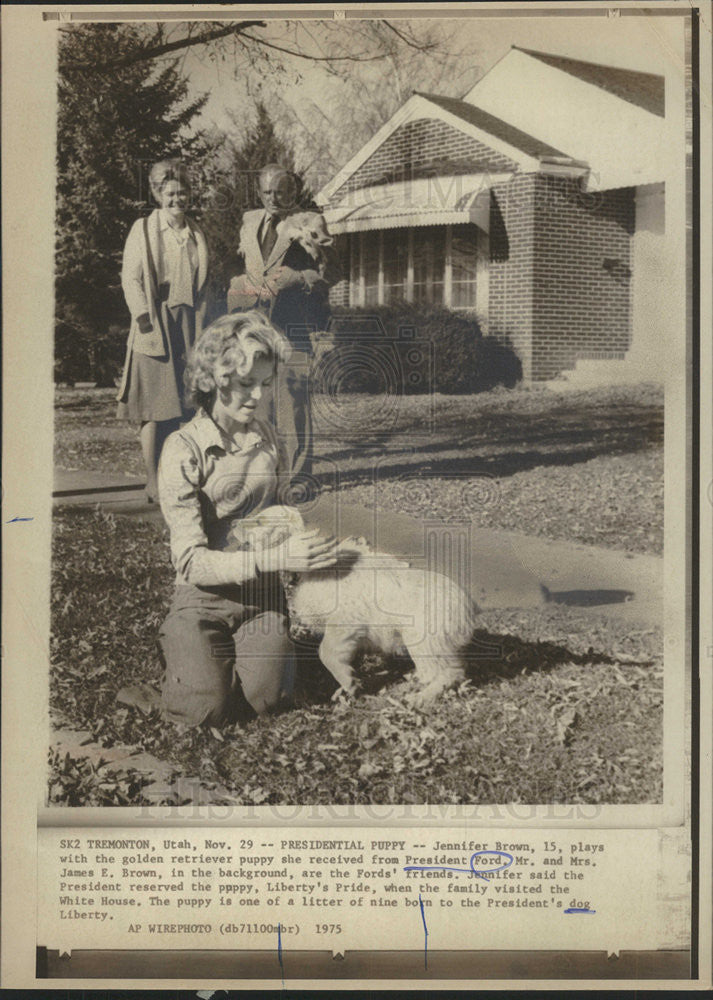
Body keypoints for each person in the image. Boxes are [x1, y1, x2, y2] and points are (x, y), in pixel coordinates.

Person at [156, 311, 339, 728]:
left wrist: (289, 526)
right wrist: (271, 559)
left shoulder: (268, 438)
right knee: (203, 712)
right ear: (214, 380)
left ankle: (210, 669)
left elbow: (272, 511)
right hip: (202, 599)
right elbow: (189, 561)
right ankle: (186, 665)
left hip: (261, 600)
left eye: (266, 384)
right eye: (245, 384)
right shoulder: (183, 448)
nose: (257, 396)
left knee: (267, 701)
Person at [227, 164, 341, 484]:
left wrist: (298, 279)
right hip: (255, 330)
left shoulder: (308, 222)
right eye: (266, 192)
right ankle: (266, 476)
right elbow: (241, 267)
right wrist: (238, 287)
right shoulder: (250, 222)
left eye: (280, 191)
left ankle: (298, 479)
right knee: (259, 407)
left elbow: (332, 271)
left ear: (292, 192)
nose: (273, 198)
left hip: (295, 329)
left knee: (295, 406)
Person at [116, 159, 209, 503]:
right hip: (154, 322)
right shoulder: (143, 229)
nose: (176, 200)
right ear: (157, 194)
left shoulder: (196, 232)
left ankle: (177, 477)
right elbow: (131, 277)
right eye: (169, 194)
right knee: (154, 407)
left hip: (188, 323)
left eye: (182, 193)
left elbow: (204, 281)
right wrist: (142, 315)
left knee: (183, 406)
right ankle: (152, 481)